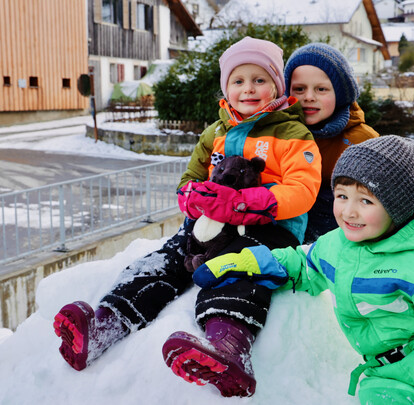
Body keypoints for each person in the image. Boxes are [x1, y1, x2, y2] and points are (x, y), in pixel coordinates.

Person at [53, 37, 322, 398]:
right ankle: (105, 324)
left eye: (259, 80)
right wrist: (192, 198)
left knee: (238, 268)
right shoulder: (216, 133)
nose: (248, 89)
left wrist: (242, 203)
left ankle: (229, 348)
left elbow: (302, 190)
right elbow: (189, 179)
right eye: (238, 81)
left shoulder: (292, 134)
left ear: (276, 86)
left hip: (269, 229)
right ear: (226, 87)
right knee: (164, 260)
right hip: (210, 224)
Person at [192, 135, 414, 404]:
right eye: (342, 196)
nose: (349, 212)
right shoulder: (337, 245)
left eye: (366, 200)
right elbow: (304, 264)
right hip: (382, 374)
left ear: (398, 208)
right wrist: (248, 262)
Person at [284, 43, 379, 243]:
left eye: (321, 89)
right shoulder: (280, 134)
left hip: (344, 239)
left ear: (341, 94)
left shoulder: (362, 141)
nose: (309, 97)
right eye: (299, 89)